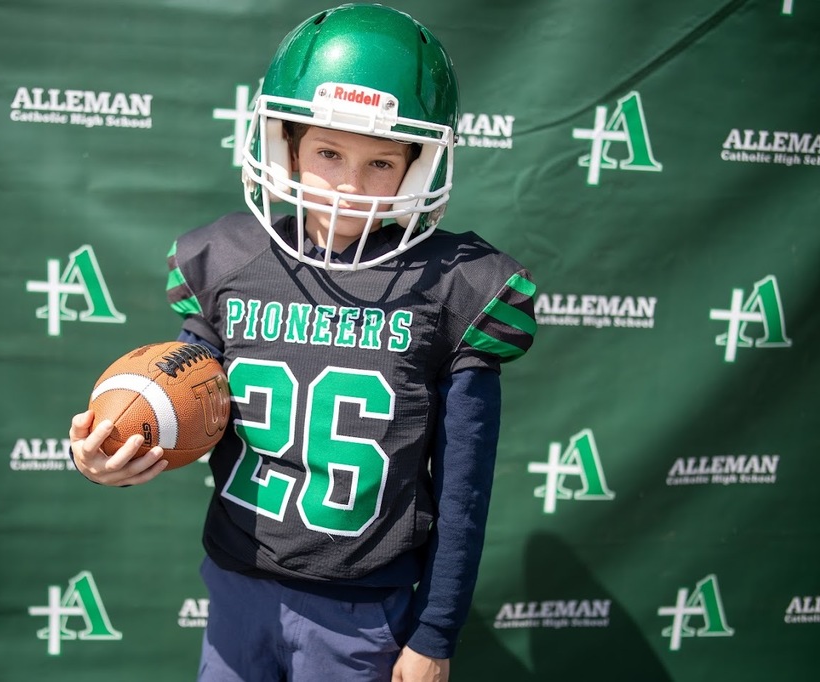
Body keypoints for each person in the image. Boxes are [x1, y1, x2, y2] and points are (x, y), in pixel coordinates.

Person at [70, 4, 537, 681]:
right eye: (327, 152)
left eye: (381, 161)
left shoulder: (454, 284)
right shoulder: (228, 260)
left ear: (419, 164)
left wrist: (434, 631)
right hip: (236, 586)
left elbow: (463, 489)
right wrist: (110, 447)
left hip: (359, 612)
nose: (350, 185)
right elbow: (178, 390)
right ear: (283, 142)